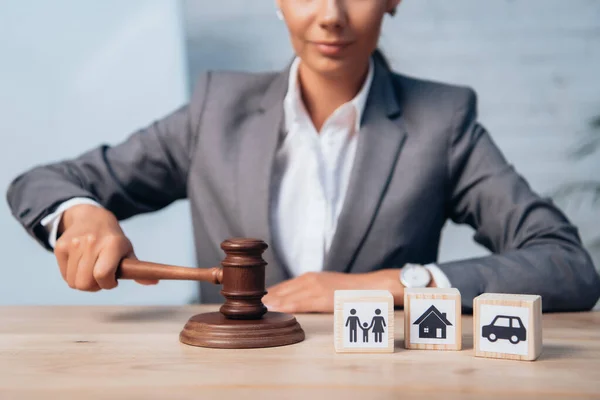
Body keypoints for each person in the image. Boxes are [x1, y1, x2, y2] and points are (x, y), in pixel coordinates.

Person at [6, 0, 600, 314]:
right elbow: (43, 182)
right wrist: (80, 214)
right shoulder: (215, 110)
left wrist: (388, 285)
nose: (331, 15)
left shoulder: (442, 123)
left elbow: (566, 265)